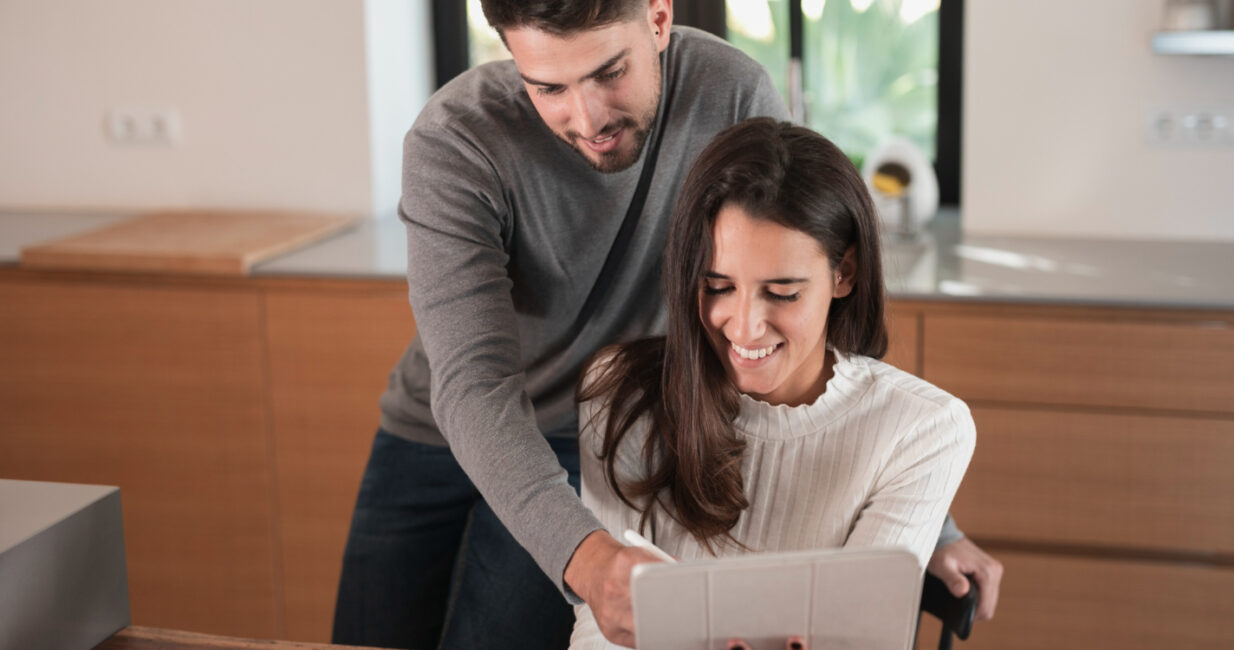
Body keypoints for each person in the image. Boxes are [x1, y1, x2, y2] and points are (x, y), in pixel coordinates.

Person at [332, 1, 1001, 648]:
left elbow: (799, 273)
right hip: (442, 429)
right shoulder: (454, 141)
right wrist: (588, 560)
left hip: (603, 430)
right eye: (547, 88)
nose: (586, 117)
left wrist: (925, 524)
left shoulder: (729, 94)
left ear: (658, 16)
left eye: (608, 74)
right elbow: (472, 384)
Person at [570, 118, 976, 648]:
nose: (744, 327)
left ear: (844, 273)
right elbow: (601, 631)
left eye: (782, 293)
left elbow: (859, 639)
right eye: (718, 286)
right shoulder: (620, 392)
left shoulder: (924, 429)